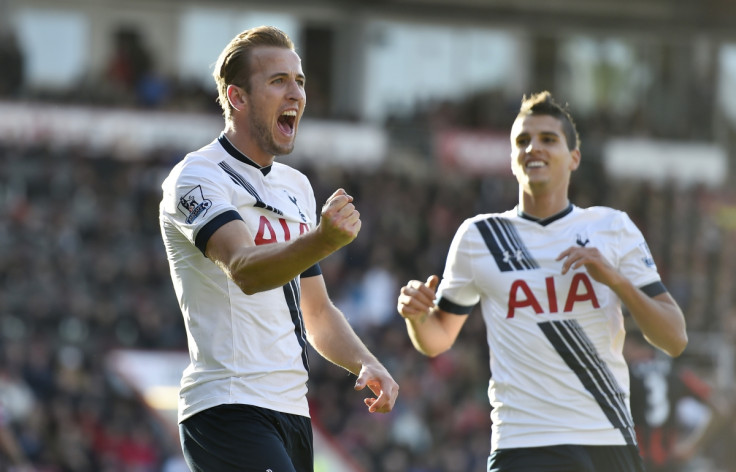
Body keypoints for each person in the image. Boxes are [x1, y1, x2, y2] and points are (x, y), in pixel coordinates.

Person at [397, 91, 688, 472]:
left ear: (574, 158)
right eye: (522, 140)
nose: (533, 147)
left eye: (548, 139)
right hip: (523, 443)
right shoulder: (479, 237)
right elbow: (437, 339)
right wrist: (417, 317)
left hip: (606, 440)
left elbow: (674, 338)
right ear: (512, 159)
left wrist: (615, 280)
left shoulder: (612, 227)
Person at [159, 25, 398, 472]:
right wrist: (323, 239)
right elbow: (245, 269)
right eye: (278, 81)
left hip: (292, 412)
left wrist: (365, 361)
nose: (296, 94)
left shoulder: (296, 186)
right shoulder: (198, 177)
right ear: (237, 98)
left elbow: (317, 311)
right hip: (227, 407)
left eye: (300, 81)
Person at [625, 329, 727, 472]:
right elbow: (721, 407)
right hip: (669, 460)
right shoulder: (677, 373)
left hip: (633, 459)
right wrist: (691, 445)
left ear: (631, 345)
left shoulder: (623, 376)